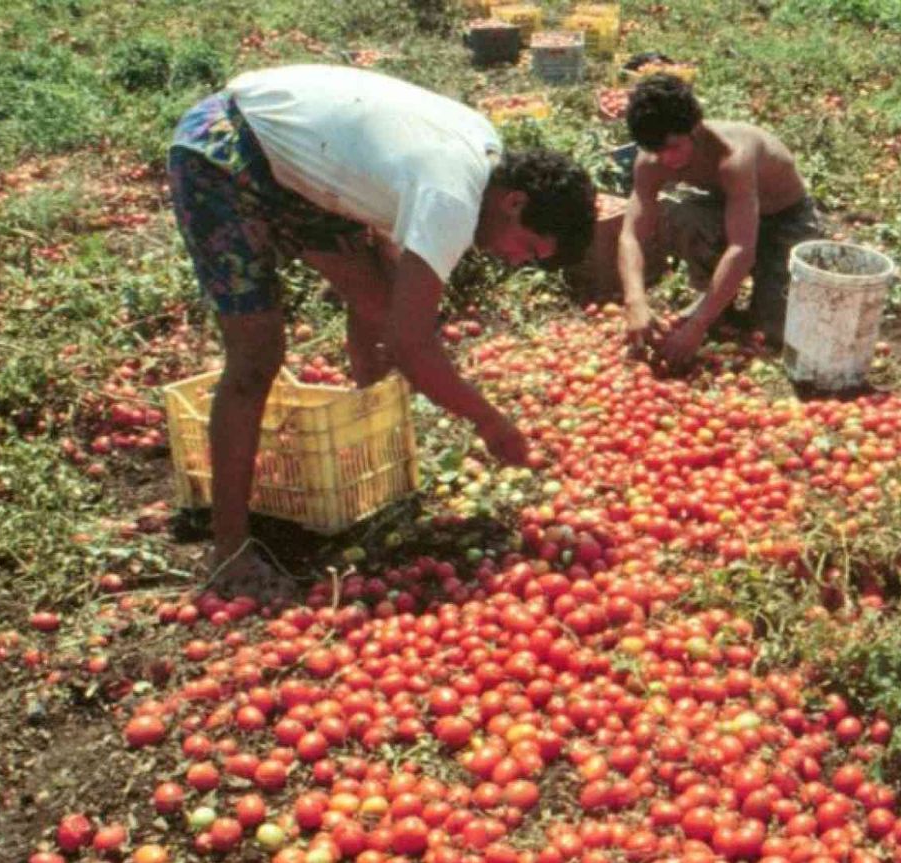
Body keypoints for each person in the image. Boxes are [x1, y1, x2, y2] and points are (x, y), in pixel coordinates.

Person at [167, 64, 594, 588]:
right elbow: (409, 344)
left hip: (297, 166)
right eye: (528, 248)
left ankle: (372, 453)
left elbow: (389, 297)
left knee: (378, 299)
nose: (516, 260)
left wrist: (384, 371)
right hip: (225, 150)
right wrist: (489, 421)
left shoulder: (484, 158)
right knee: (257, 355)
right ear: (515, 202)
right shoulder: (453, 198)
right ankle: (230, 551)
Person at [617, 74, 824, 367]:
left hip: (786, 219)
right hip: (729, 210)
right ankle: (716, 301)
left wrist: (697, 326)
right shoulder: (651, 162)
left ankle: (732, 298)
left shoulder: (734, 157)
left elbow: (741, 248)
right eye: (656, 150)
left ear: (696, 128)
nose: (667, 159)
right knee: (684, 213)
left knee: (773, 330)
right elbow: (631, 235)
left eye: (674, 147)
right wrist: (635, 300)